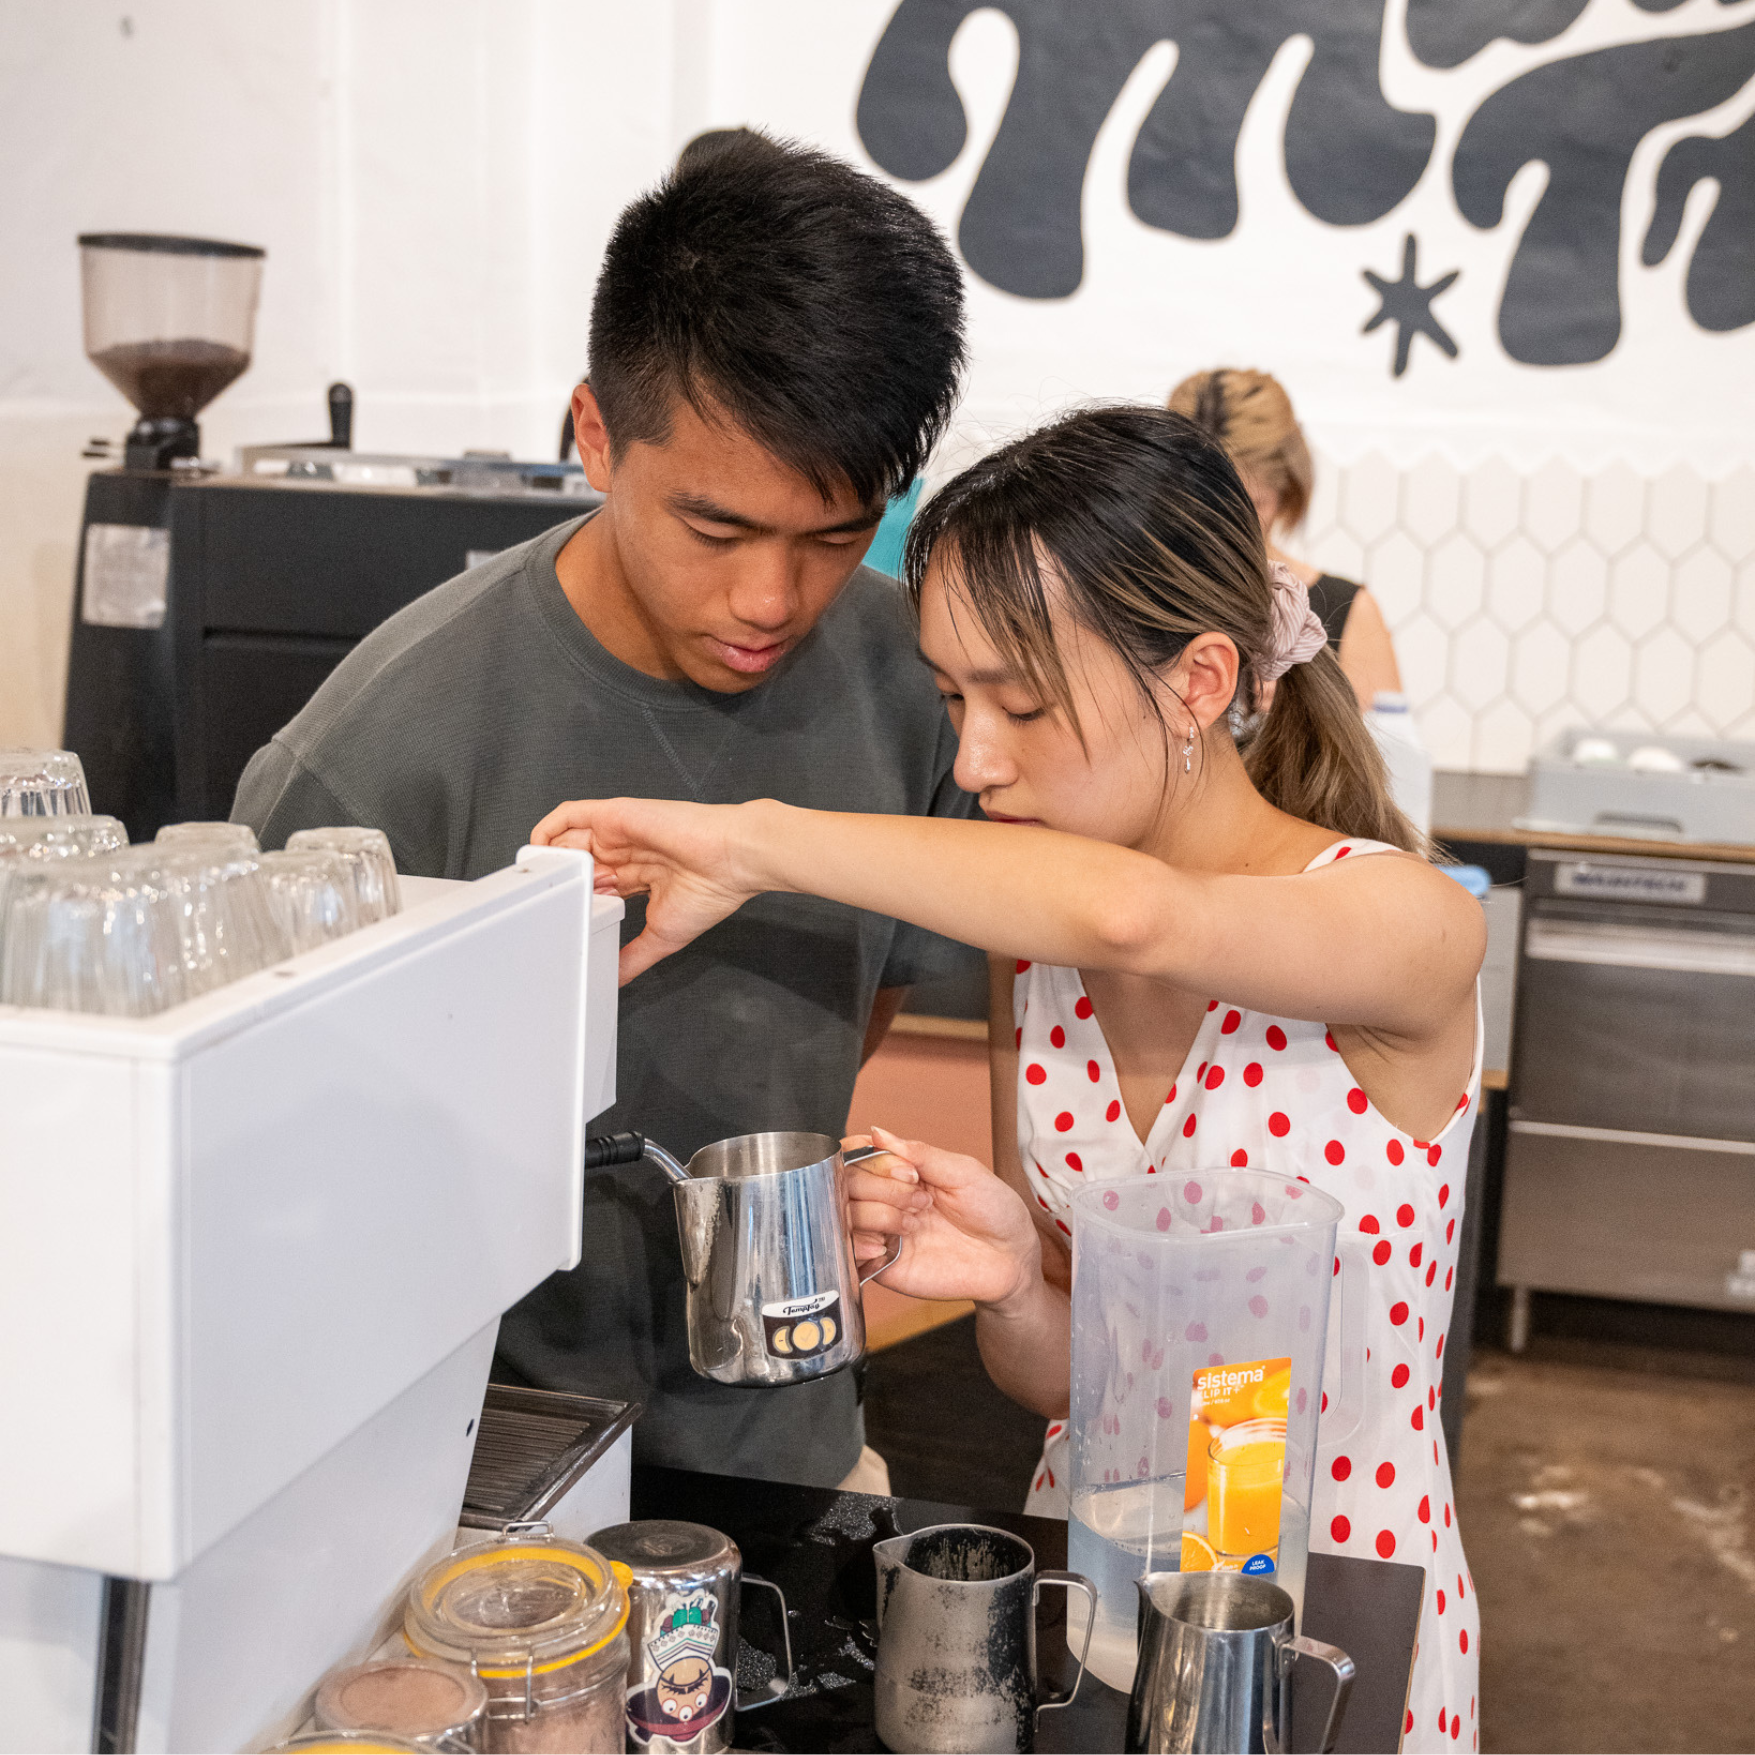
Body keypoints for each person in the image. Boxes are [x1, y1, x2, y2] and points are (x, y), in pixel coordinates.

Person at [531, 405, 1486, 1752]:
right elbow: (1066, 1383)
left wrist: (751, 844)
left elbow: (1138, 915)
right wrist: (1011, 1284)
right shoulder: (1032, 964)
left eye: (1022, 704)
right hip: (1092, 1606)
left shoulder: (1405, 925)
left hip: (1336, 1610)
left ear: (1199, 681)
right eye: (952, 700)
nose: (974, 759)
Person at [232, 132, 972, 1491]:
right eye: (715, 530)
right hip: (464, 1478)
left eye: (832, 535)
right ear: (592, 434)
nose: (770, 599)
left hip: (793, 1448)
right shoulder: (374, 757)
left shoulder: (913, 682)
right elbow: (283, 1194)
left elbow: (857, 1017)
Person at [1168, 369, 1403, 714]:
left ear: (1287, 490)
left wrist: (1309, 714)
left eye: (1252, 505)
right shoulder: (1135, 594)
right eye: (1202, 505)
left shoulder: (1345, 610)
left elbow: (1387, 746)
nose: (1225, 526)